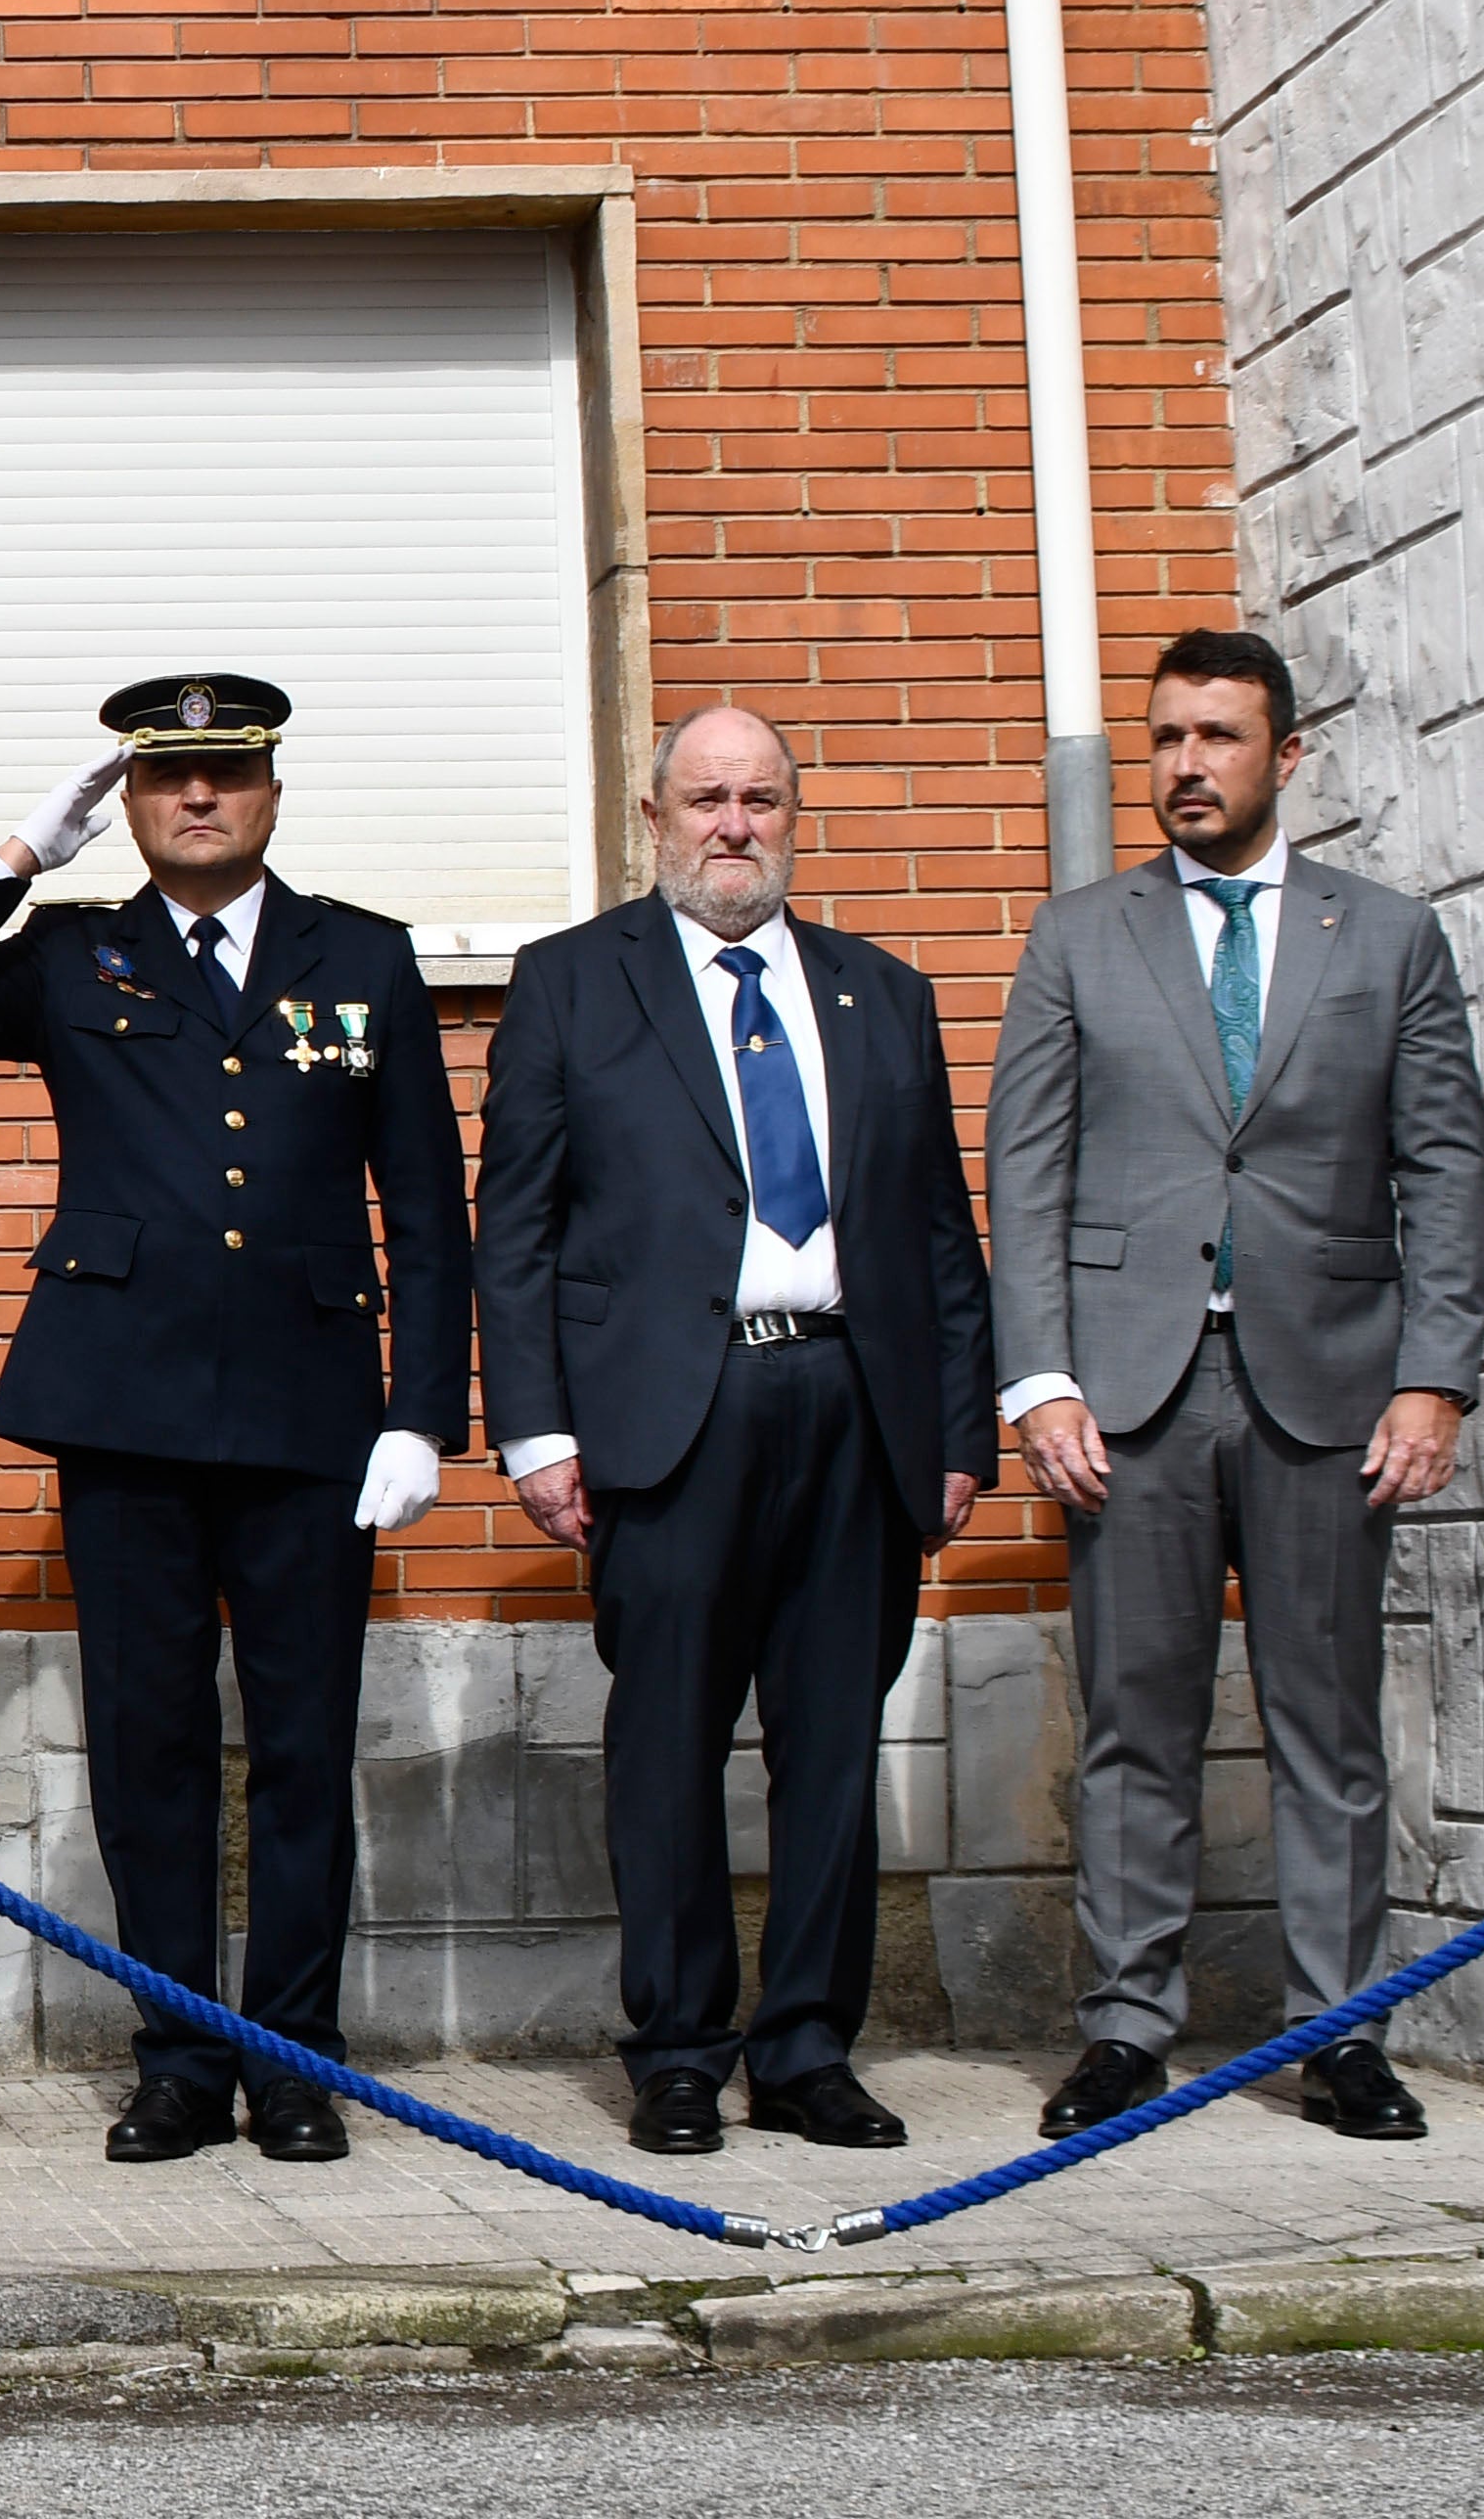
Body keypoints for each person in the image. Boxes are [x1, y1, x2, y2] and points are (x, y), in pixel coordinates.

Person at [0, 673, 470, 2166]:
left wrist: (423, 1413)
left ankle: (295, 2055)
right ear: (128, 804)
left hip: (312, 1409)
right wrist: (12, 863)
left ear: (270, 792)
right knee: (148, 1749)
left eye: (227, 774)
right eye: (167, 778)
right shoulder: (75, 954)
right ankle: (182, 2057)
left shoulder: (364, 957)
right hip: (126, 1403)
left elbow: (432, 1209)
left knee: (305, 1746)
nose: (198, 798)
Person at [989, 629, 1484, 2145]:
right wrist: (1042, 1382)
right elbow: (1028, 1170)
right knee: (1135, 1723)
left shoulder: (1386, 939)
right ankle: (1129, 2030)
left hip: (1329, 1390)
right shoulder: (1080, 935)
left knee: (1325, 1725)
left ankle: (1338, 2034)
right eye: (1164, 740)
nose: (1186, 765)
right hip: (1128, 1397)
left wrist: (1434, 1382)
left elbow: (1445, 1167)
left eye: (1216, 736)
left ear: (1287, 755)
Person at [477, 706, 994, 2159]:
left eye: (760, 799)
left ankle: (812, 2049)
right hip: (668, 1419)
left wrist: (961, 1424)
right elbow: (512, 1230)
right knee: (668, 1746)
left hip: (854, 1405)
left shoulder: (881, 993)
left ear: (793, 816)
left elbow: (940, 1234)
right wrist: (534, 1433)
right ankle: (682, 2051)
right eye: (705, 799)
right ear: (655, 819)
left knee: (833, 1747)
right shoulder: (575, 984)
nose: (733, 826)